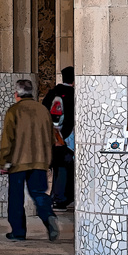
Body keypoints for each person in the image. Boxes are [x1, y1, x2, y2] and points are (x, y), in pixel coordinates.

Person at [0, 79, 59, 242]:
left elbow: (7, 140)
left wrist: (3, 161)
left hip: (18, 162)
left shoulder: (14, 111)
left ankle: (18, 232)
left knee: (16, 197)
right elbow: (51, 137)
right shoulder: (43, 110)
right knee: (38, 192)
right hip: (40, 160)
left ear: (16, 94)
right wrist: (48, 159)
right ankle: (48, 216)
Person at [42, 66, 75, 210]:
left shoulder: (52, 92)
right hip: (66, 139)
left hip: (51, 137)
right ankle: (61, 198)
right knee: (64, 168)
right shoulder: (73, 94)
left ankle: (55, 198)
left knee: (56, 168)